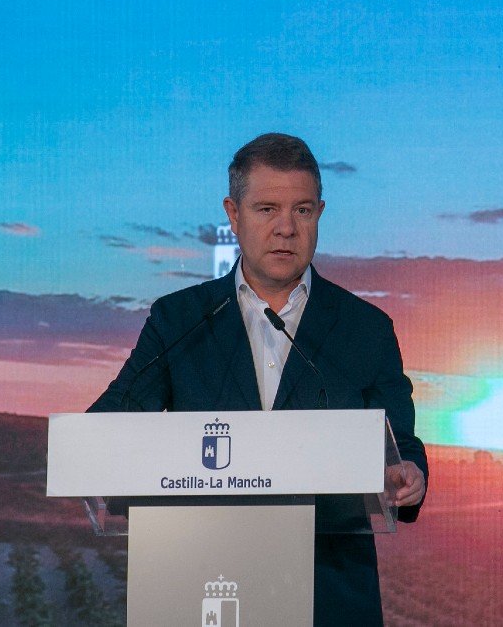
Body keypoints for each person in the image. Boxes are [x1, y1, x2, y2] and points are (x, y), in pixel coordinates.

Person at [88, 132, 427, 625]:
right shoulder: (179, 320)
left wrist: (409, 475)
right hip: (204, 585)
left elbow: (402, 444)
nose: (286, 228)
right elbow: (108, 426)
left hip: (328, 593)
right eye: (267, 209)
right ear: (233, 213)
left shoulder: (366, 329)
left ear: (320, 213)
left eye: (303, 210)